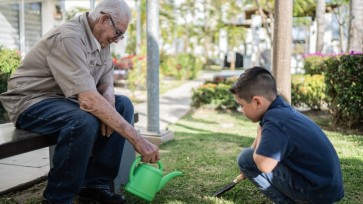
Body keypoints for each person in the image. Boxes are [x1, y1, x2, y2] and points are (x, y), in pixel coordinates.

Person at [0, 0, 159, 203]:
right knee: (83, 120)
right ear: (103, 19)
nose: (118, 40)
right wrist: (139, 140)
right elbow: (89, 100)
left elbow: (106, 79)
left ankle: (94, 186)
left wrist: (109, 98)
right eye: (118, 33)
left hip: (63, 100)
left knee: (122, 105)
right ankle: (58, 197)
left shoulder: (101, 39)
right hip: (30, 101)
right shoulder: (69, 38)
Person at [229, 67, 344, 203]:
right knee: (249, 158)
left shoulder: (275, 121)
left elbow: (264, 165)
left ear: (257, 102)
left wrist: (258, 137)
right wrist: (249, 166)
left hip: (317, 192)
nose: (241, 110)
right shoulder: (280, 108)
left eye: (241, 105)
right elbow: (257, 146)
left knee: (245, 158)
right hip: (327, 187)